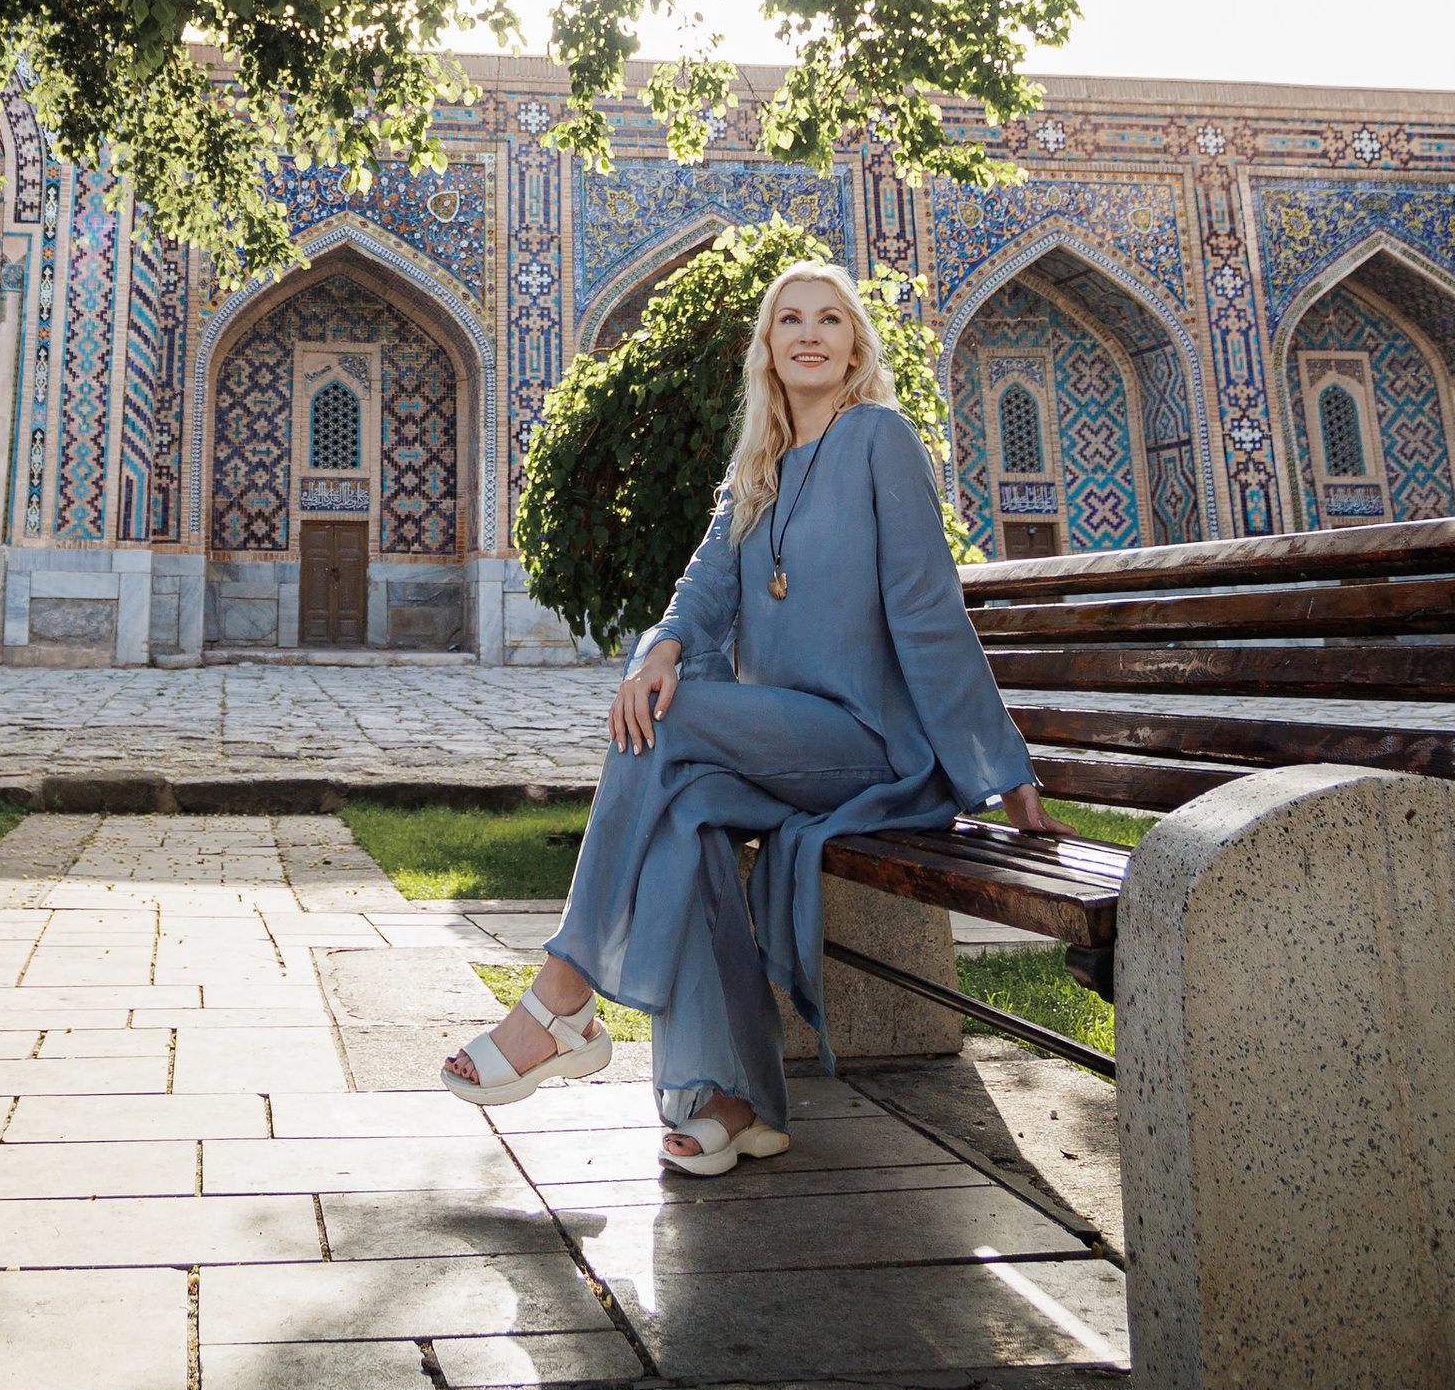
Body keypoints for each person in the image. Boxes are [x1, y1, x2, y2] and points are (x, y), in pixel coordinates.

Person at [442, 257, 1057, 1172]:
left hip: (872, 744)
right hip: (786, 744)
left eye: (830, 319)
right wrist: (661, 648)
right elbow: (700, 594)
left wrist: (1003, 770)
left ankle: (563, 994)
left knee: (666, 723)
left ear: (855, 347)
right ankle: (733, 1100)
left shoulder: (880, 438)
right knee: (683, 810)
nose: (810, 334)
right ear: (766, 348)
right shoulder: (756, 472)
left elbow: (929, 611)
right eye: (789, 320)